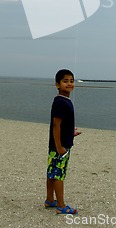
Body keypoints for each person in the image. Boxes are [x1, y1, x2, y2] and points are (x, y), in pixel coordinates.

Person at [44, 69, 81, 215]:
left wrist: (70, 133)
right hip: (60, 147)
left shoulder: (64, 101)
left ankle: (49, 200)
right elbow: (56, 125)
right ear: (57, 84)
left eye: (71, 81)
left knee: (52, 173)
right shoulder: (60, 102)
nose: (69, 84)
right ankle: (61, 206)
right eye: (65, 81)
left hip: (59, 143)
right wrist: (59, 146)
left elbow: (63, 125)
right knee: (59, 175)